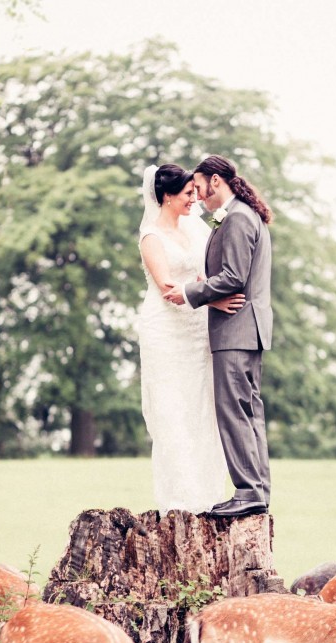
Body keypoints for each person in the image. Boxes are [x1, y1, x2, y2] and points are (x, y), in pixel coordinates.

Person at [164, 155, 273, 518]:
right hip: (244, 329)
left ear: (215, 181)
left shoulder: (238, 217)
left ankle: (248, 491)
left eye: (198, 187)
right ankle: (255, 490)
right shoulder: (239, 214)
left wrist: (190, 293)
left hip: (237, 329)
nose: (196, 195)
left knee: (234, 412)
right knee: (247, 412)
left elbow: (234, 276)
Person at [137, 163, 244, 516]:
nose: (194, 199)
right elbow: (168, 287)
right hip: (166, 331)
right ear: (166, 197)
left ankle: (209, 495)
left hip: (197, 331)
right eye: (186, 194)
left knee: (202, 408)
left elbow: (209, 264)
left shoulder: (197, 226)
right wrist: (214, 299)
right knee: (173, 409)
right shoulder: (152, 237)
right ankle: (181, 501)